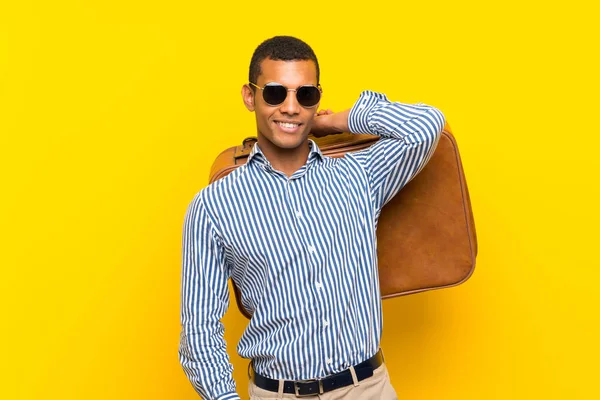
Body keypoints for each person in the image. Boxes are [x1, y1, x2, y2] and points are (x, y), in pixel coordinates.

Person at [179, 35, 445, 400]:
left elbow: (426, 125)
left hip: (366, 389)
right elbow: (199, 330)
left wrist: (337, 121)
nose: (291, 107)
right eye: (275, 93)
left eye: (305, 95)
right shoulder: (214, 207)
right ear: (249, 96)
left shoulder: (359, 177)